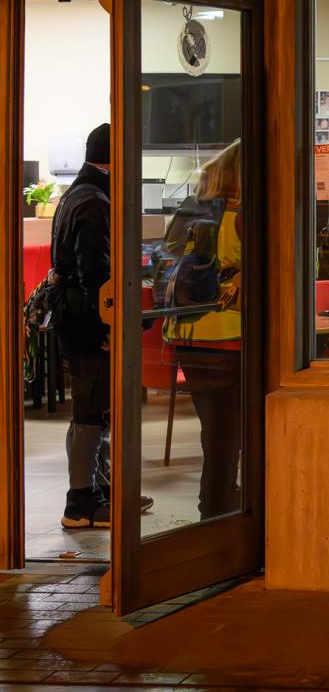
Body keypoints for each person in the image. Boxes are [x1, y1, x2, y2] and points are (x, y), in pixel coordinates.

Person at [53, 123, 152, 528]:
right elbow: (95, 273)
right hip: (88, 321)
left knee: (91, 409)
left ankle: (101, 490)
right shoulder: (96, 201)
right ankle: (81, 504)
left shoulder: (75, 194)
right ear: (116, 159)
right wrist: (109, 327)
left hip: (73, 317)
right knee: (90, 411)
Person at [165, 139, 245, 520]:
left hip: (185, 333)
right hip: (228, 335)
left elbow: (164, 259)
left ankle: (217, 502)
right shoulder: (241, 214)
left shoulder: (189, 211)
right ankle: (216, 509)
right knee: (227, 435)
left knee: (214, 431)